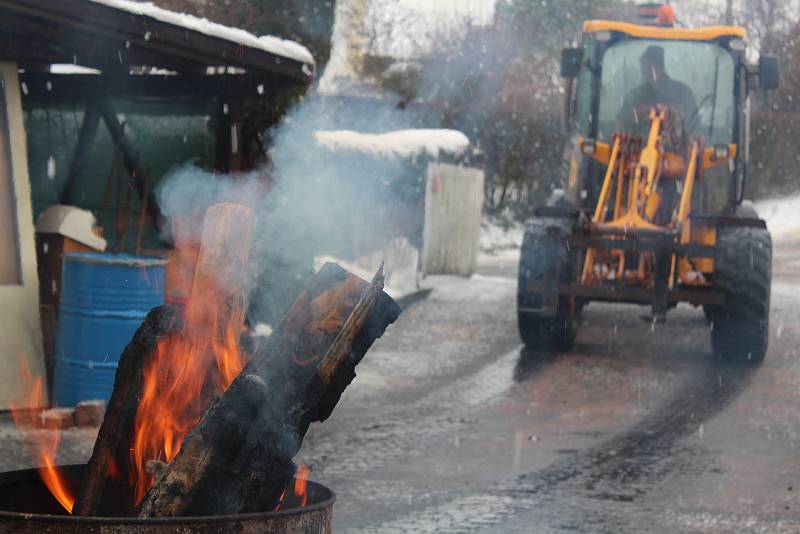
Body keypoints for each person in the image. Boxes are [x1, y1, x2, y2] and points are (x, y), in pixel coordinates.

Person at [616, 45, 697, 132]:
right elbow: (619, 124)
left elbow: (694, 125)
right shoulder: (634, 96)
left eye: (651, 70)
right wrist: (637, 113)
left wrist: (669, 112)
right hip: (640, 143)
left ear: (661, 68)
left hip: (677, 144)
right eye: (644, 71)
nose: (647, 74)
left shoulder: (683, 93)